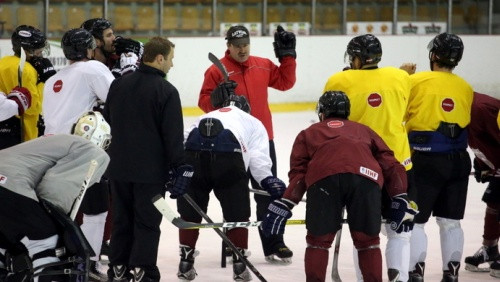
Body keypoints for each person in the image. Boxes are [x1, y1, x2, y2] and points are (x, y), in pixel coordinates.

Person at [260, 91, 417, 282]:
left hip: (323, 180)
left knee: (318, 242)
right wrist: (400, 196)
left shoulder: (308, 133)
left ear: (322, 112)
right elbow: (392, 165)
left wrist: (287, 202)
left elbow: (299, 174)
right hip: (366, 180)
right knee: (368, 243)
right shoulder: (364, 130)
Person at [198, 24, 297, 263]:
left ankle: (274, 243)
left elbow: (285, 82)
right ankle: (235, 245)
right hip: (231, 144)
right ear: (228, 46)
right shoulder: (215, 71)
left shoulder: (262, 64)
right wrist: (216, 99)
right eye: (237, 46)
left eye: (245, 45)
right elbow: (203, 103)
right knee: (235, 195)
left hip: (263, 141)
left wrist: (288, 57)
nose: (242, 50)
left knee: (267, 193)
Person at [323, 34, 414, 282]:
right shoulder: (401, 77)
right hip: (400, 164)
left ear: (356, 58)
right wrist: (402, 73)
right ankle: (400, 278)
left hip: (362, 165)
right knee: (401, 229)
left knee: (363, 233)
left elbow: (329, 118)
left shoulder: (339, 79)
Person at [103, 36, 191, 282]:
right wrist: (180, 167)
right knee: (146, 222)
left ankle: (118, 268)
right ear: (160, 58)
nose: (171, 65)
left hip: (118, 168)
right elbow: (172, 137)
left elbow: (108, 120)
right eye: (171, 59)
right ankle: (142, 270)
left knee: (122, 219)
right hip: (150, 173)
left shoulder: (118, 85)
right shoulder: (166, 91)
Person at [177, 95, 287, 281]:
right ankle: (239, 265)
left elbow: (185, 141)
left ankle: (185, 263)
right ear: (246, 109)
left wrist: (178, 172)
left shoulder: (205, 116)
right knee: (237, 213)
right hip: (228, 160)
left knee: (190, 213)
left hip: (193, 156)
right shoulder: (253, 121)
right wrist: (267, 179)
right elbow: (258, 157)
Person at [0, 111, 111, 282]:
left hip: (7, 186)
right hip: (8, 184)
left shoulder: (56, 141)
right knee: (46, 241)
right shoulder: (93, 150)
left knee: (6, 248)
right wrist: (55, 225)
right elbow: (54, 191)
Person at [42, 28, 115, 281]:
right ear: (89, 49)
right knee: (96, 211)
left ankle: (60, 261)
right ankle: (90, 263)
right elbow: (116, 98)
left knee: (62, 210)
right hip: (79, 151)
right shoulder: (93, 68)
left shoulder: (52, 79)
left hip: (49, 151)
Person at [404, 32, 473, 282]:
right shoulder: (465, 86)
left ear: (433, 54)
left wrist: (403, 76)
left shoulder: (416, 80)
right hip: (459, 162)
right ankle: (451, 273)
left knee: (416, 221)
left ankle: (415, 272)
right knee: (451, 222)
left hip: (425, 162)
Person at [462, 92, 499, 278]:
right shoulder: (460, 108)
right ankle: (490, 249)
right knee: (493, 201)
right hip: (496, 164)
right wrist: (482, 164)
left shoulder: (482, 108)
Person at [0, 25, 55, 149]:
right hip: (23, 134)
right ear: (26, 51)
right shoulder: (27, 70)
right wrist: (42, 81)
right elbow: (32, 107)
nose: (41, 55)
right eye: (38, 51)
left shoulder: (3, 62)